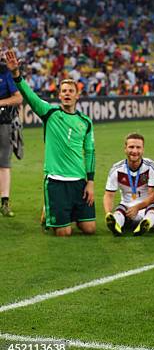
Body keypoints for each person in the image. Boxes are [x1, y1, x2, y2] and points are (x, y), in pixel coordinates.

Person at [5, 49, 96, 237]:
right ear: (60, 95)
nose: (67, 94)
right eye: (64, 91)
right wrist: (16, 74)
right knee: (64, 233)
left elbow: (90, 151)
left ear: (77, 95)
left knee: (90, 229)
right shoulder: (49, 112)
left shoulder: (85, 121)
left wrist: (91, 182)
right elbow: (29, 95)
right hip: (56, 180)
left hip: (79, 181)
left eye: (71, 91)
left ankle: (54, 211)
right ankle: (51, 209)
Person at [103, 133, 154, 236]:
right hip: (127, 208)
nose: (134, 151)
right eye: (131, 147)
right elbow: (109, 195)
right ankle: (115, 224)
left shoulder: (152, 167)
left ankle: (145, 225)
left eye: (138, 147)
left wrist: (137, 207)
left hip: (146, 207)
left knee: (152, 209)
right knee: (119, 212)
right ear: (125, 149)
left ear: (143, 149)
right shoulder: (116, 169)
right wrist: (108, 213)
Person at [0, 56, 23, 217]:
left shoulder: (4, 71)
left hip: (3, 122)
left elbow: (18, 97)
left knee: (4, 164)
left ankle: (4, 203)